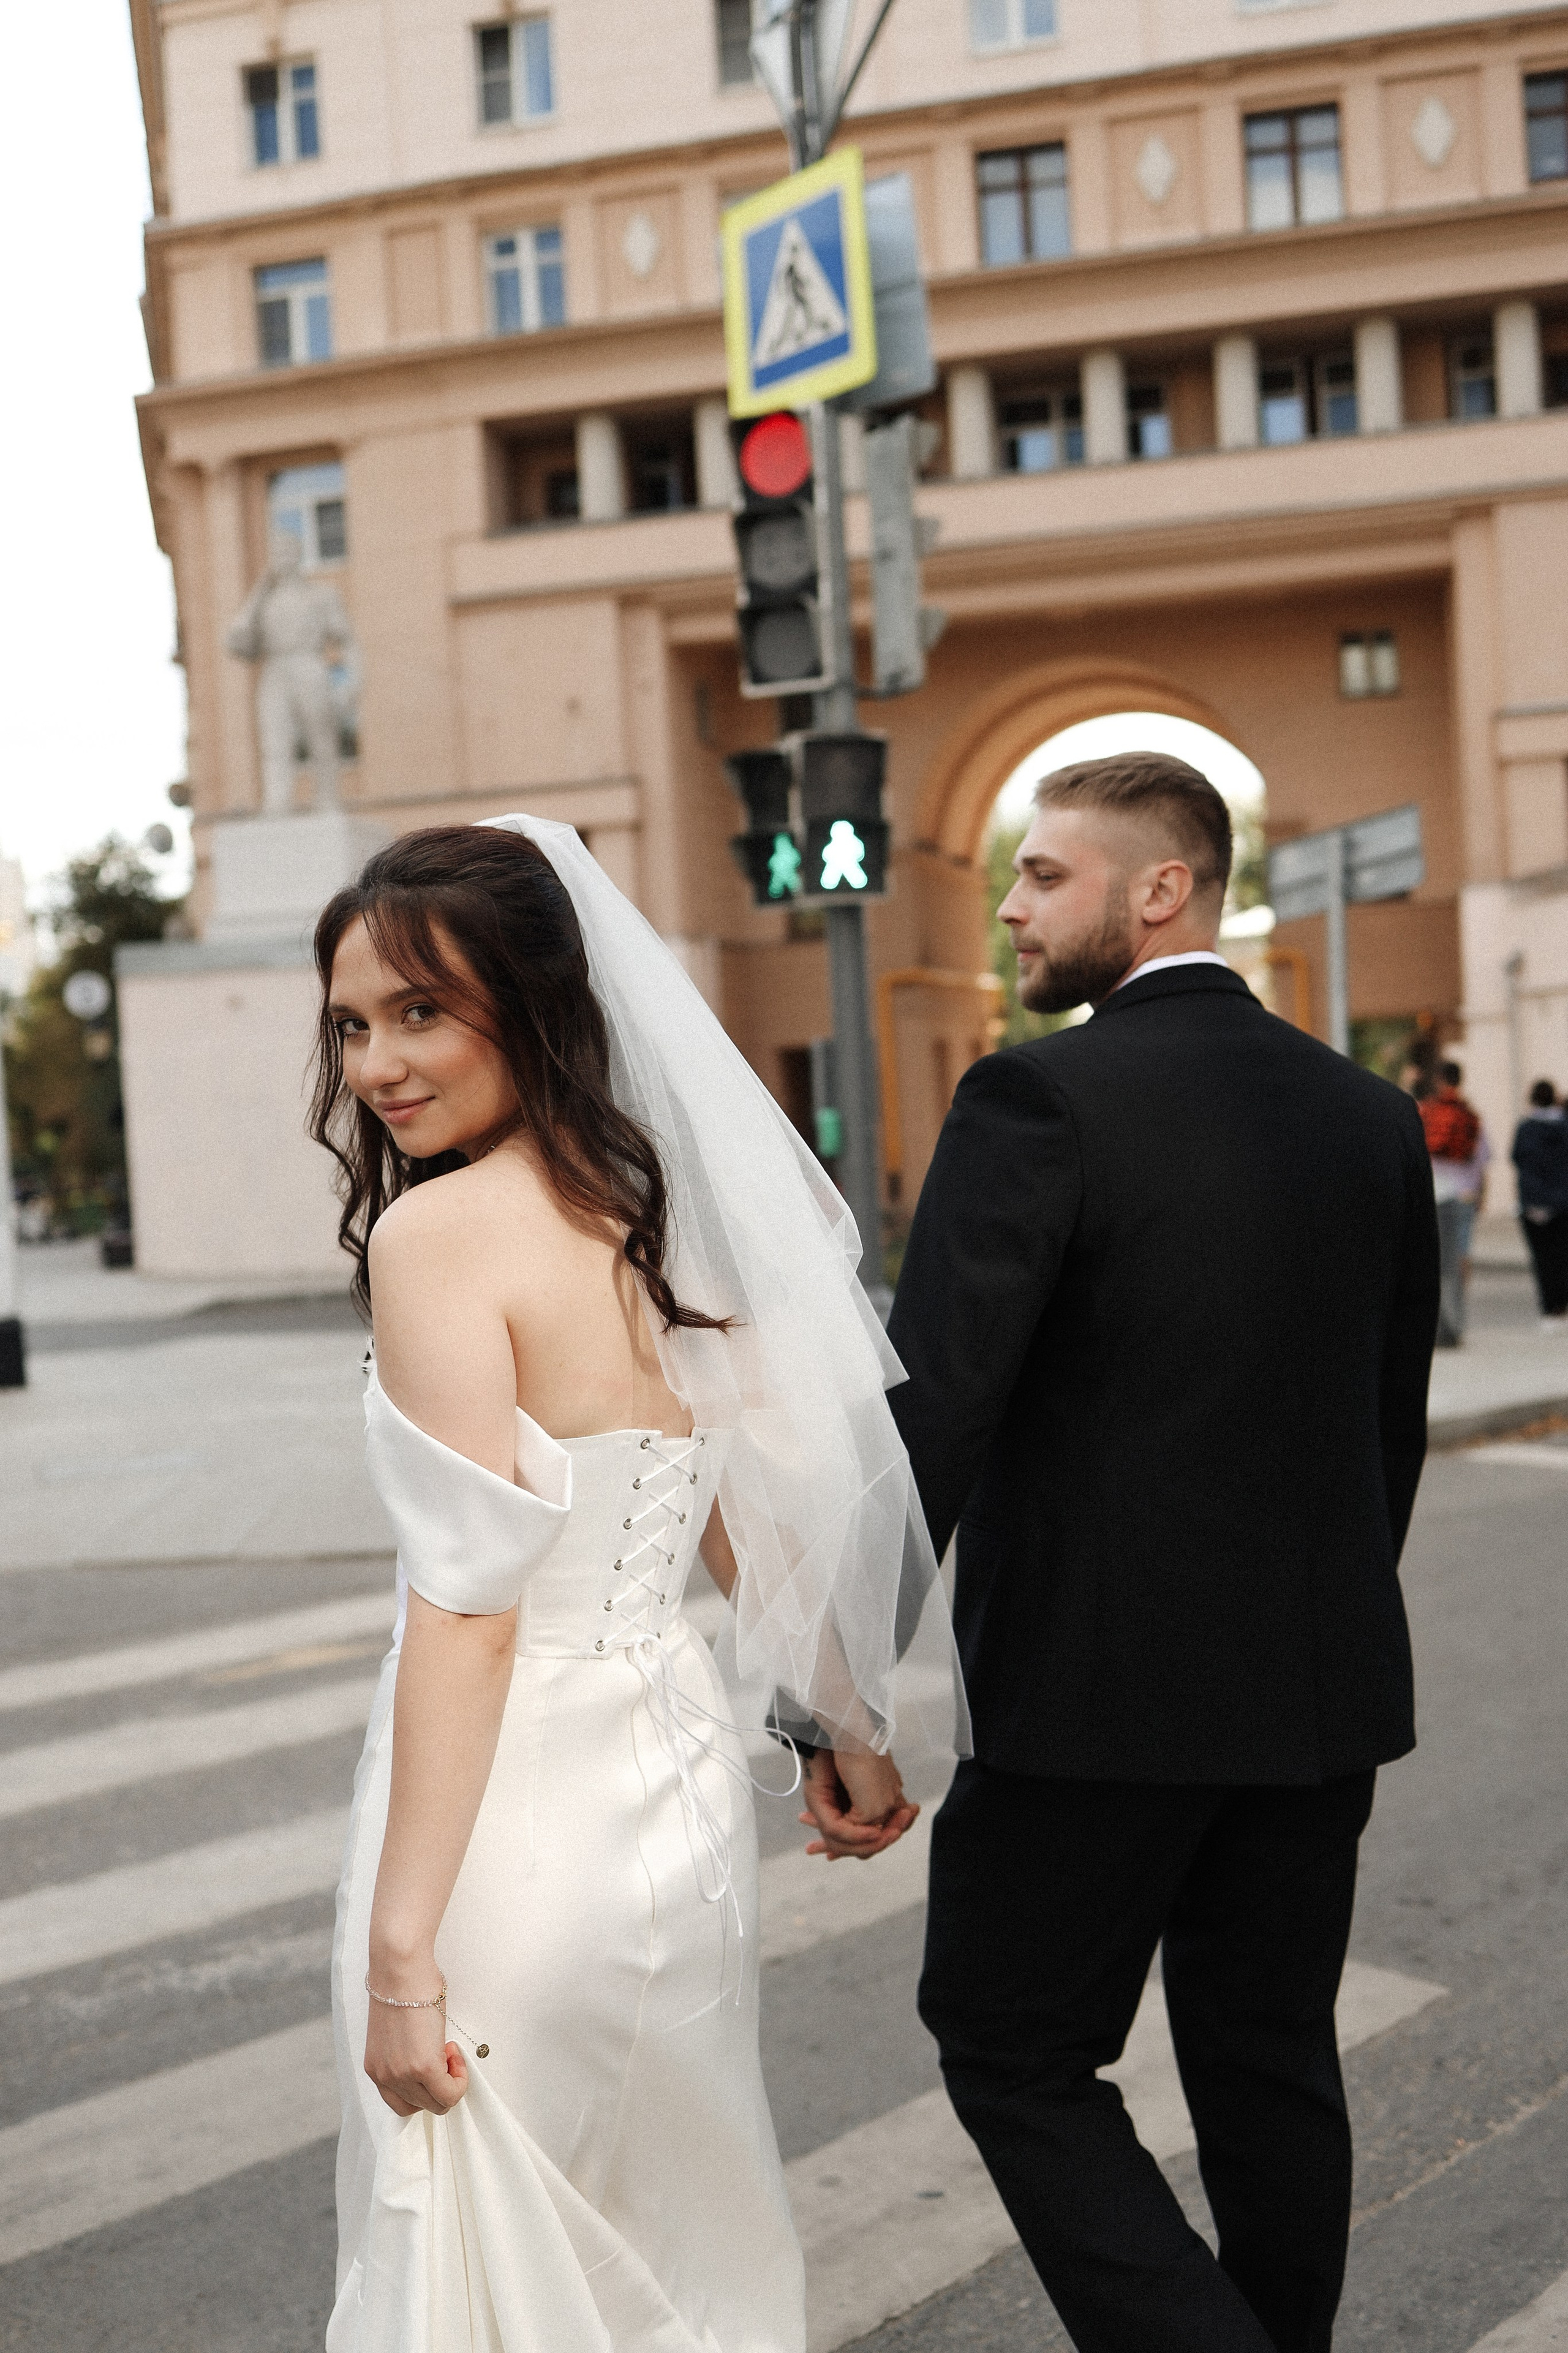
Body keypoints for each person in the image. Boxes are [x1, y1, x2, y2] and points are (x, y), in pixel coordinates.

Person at [309, 819, 964, 2351]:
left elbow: (471, 1610)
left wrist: (401, 1945)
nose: (378, 1064)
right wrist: (841, 1734)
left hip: (513, 1812)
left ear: (537, 1004)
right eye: (353, 1022)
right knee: (672, 2223)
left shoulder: (435, 1235)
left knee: (488, 2234)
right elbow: (743, 1500)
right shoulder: (654, 1202)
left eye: (423, 1010)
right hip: (670, 1798)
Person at [888, 752, 1439, 2353]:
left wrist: (833, 1690)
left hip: (1093, 1704)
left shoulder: (1035, 1098)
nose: (1010, 906)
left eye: (1044, 875)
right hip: (1316, 1693)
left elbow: (933, 1419)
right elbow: (1380, 1432)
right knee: (1271, 2055)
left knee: (1010, 2048)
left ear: (1160, 890)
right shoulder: (1368, 1114)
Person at [1419, 1059, 1486, 1347]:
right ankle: (1456, 1321)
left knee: (1439, 1264)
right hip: (1464, 1196)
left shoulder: (1429, 1112)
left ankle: (1445, 1326)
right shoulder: (1471, 1115)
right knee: (1459, 1258)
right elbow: (1481, 1161)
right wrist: (1481, 1195)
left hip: (1438, 1194)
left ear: (1440, 1080)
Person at [1512, 1079, 1568, 1328]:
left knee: (1543, 1259)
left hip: (1534, 1205)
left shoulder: (1526, 1129)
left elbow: (1518, 1160)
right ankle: (1563, 1305)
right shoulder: (1564, 1128)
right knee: (1563, 1255)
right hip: (1563, 1203)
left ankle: (1549, 1308)